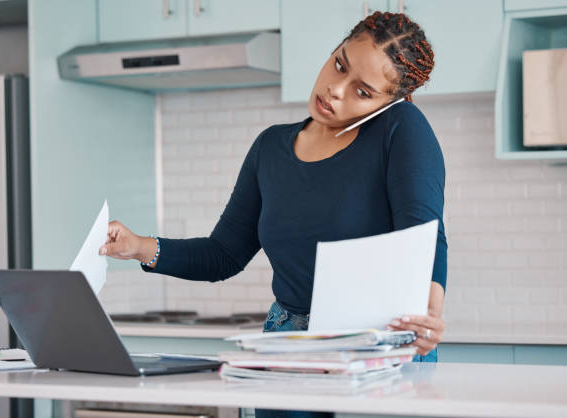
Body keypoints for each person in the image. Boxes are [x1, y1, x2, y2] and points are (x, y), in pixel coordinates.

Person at [100, 10, 447, 418]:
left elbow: (425, 233)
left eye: (363, 92)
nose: (336, 90)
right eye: (339, 64)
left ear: (390, 102)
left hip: (375, 348)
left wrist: (429, 312)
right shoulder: (271, 147)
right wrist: (140, 247)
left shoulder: (400, 130)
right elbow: (224, 254)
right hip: (288, 344)